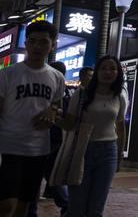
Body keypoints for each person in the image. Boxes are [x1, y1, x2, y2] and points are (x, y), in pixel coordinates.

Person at [0, 20, 66, 217]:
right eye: (32, 41)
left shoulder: (57, 77)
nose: (37, 46)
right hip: (9, 146)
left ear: (53, 45)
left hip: (38, 148)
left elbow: (57, 106)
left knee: (23, 205)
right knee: (5, 205)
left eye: (44, 42)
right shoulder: (8, 74)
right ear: (26, 43)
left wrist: (52, 111)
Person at [56, 56, 126, 217]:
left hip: (108, 152)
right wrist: (53, 118)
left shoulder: (119, 97)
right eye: (103, 68)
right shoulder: (81, 95)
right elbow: (70, 124)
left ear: (118, 72)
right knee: (77, 207)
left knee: (96, 208)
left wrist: (120, 156)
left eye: (112, 68)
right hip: (82, 150)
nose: (108, 72)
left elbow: (121, 128)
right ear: (97, 72)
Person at [28, 61, 71, 217]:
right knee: (48, 177)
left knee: (49, 176)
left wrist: (53, 111)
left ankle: (67, 207)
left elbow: (65, 115)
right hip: (41, 138)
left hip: (50, 139)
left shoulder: (61, 90)